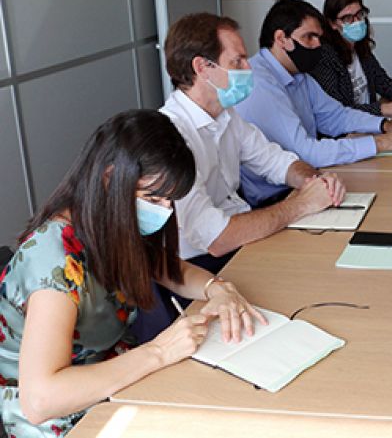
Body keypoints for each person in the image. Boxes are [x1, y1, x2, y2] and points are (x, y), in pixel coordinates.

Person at [0, 110, 267, 438]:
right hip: (63, 420)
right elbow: (40, 400)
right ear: (110, 178)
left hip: (117, 382)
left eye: (169, 201)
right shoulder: (53, 264)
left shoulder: (109, 222)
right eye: (154, 198)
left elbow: (168, 268)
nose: (165, 211)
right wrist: (159, 351)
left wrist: (217, 289)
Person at [160, 13, 345, 272]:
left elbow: (275, 161)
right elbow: (216, 238)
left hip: (238, 243)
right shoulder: (170, 138)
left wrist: (313, 182)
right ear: (202, 68)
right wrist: (302, 203)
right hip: (197, 267)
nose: (249, 69)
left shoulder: (226, 115)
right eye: (238, 61)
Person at [236, 0, 392, 206]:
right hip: (274, 198)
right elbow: (305, 153)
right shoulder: (260, 83)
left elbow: (336, 116)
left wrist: (383, 125)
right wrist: (382, 143)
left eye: (319, 38)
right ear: (281, 38)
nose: (317, 45)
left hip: (305, 182)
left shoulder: (297, 74)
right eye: (309, 37)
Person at [308, 0, 392, 117]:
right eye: (347, 18)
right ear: (332, 24)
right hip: (348, 132)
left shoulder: (359, 47)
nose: (357, 22)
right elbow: (338, 110)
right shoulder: (325, 57)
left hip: (370, 123)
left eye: (359, 14)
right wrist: (386, 108)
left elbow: (380, 79)